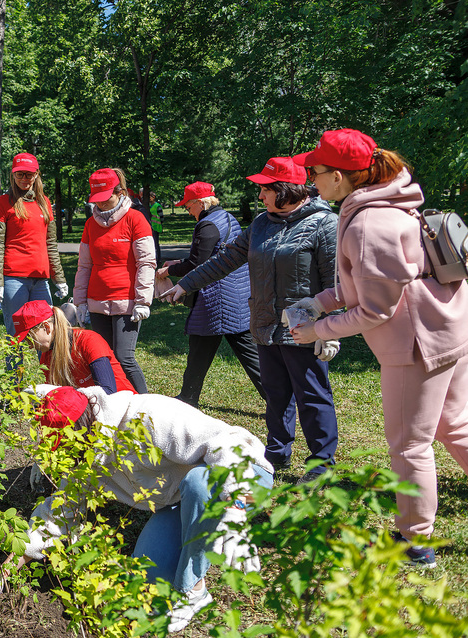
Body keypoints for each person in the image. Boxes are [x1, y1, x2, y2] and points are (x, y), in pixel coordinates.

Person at [288, 129, 468, 567]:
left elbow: (375, 311)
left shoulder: (369, 223)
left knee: (409, 445)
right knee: (454, 425)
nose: (310, 179)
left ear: (339, 176)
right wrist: (319, 302)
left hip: (416, 347)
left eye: (314, 171)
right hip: (448, 329)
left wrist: (317, 330)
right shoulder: (389, 203)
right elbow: (376, 286)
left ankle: (415, 542)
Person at [0, 384, 273, 633]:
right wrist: (0, 578)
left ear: (85, 427)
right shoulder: (87, 457)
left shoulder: (149, 416)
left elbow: (229, 443)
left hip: (241, 475)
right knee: (146, 578)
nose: (66, 455)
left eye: (67, 444)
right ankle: (185, 580)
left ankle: (192, 592)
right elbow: (56, 517)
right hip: (177, 503)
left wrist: (234, 510)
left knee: (197, 482)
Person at [162, 158, 339, 484]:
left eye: (265, 189)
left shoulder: (324, 224)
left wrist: (332, 329)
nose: (259, 196)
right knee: (276, 395)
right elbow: (224, 260)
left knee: (312, 397)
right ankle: (276, 454)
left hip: (306, 327)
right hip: (264, 325)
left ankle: (321, 468)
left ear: (285, 190)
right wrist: (185, 284)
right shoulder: (261, 223)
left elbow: (336, 281)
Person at [159, 181, 265, 407]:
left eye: (188, 207)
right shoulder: (227, 217)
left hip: (216, 298)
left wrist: (168, 270)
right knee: (247, 353)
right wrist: (179, 262)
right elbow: (212, 255)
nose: (189, 213)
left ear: (200, 202)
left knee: (201, 349)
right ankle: (278, 399)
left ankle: (188, 398)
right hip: (236, 296)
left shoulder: (207, 225)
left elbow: (197, 264)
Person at [73, 168, 155, 394]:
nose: (100, 204)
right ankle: (113, 401)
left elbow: (146, 263)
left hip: (127, 301)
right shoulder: (90, 224)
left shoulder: (135, 219)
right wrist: (80, 302)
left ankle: (146, 405)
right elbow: (84, 266)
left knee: (124, 357)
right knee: (103, 357)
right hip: (97, 301)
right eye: (96, 200)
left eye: (105, 198)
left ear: (120, 192)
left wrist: (143, 300)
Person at [0, 153, 69, 335]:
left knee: (47, 332)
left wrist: (60, 278)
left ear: (36, 175)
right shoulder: (3, 202)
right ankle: (16, 365)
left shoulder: (44, 203)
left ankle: (45, 365)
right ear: (13, 176)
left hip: (41, 279)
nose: (24, 179)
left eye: (29, 174)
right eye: (20, 174)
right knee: (16, 333)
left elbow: (51, 245)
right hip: (13, 279)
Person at [12, 299, 134, 394]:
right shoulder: (46, 357)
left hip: (125, 413)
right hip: (93, 416)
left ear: (47, 327)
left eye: (30, 338)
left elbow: (108, 392)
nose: (29, 346)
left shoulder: (89, 341)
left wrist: (62, 395)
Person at [146, 191, 163, 263]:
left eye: (150, 197)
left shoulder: (157, 206)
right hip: (151, 227)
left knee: (156, 244)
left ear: (153, 197)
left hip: (156, 227)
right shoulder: (149, 206)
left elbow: (161, 217)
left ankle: (158, 260)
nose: (149, 199)